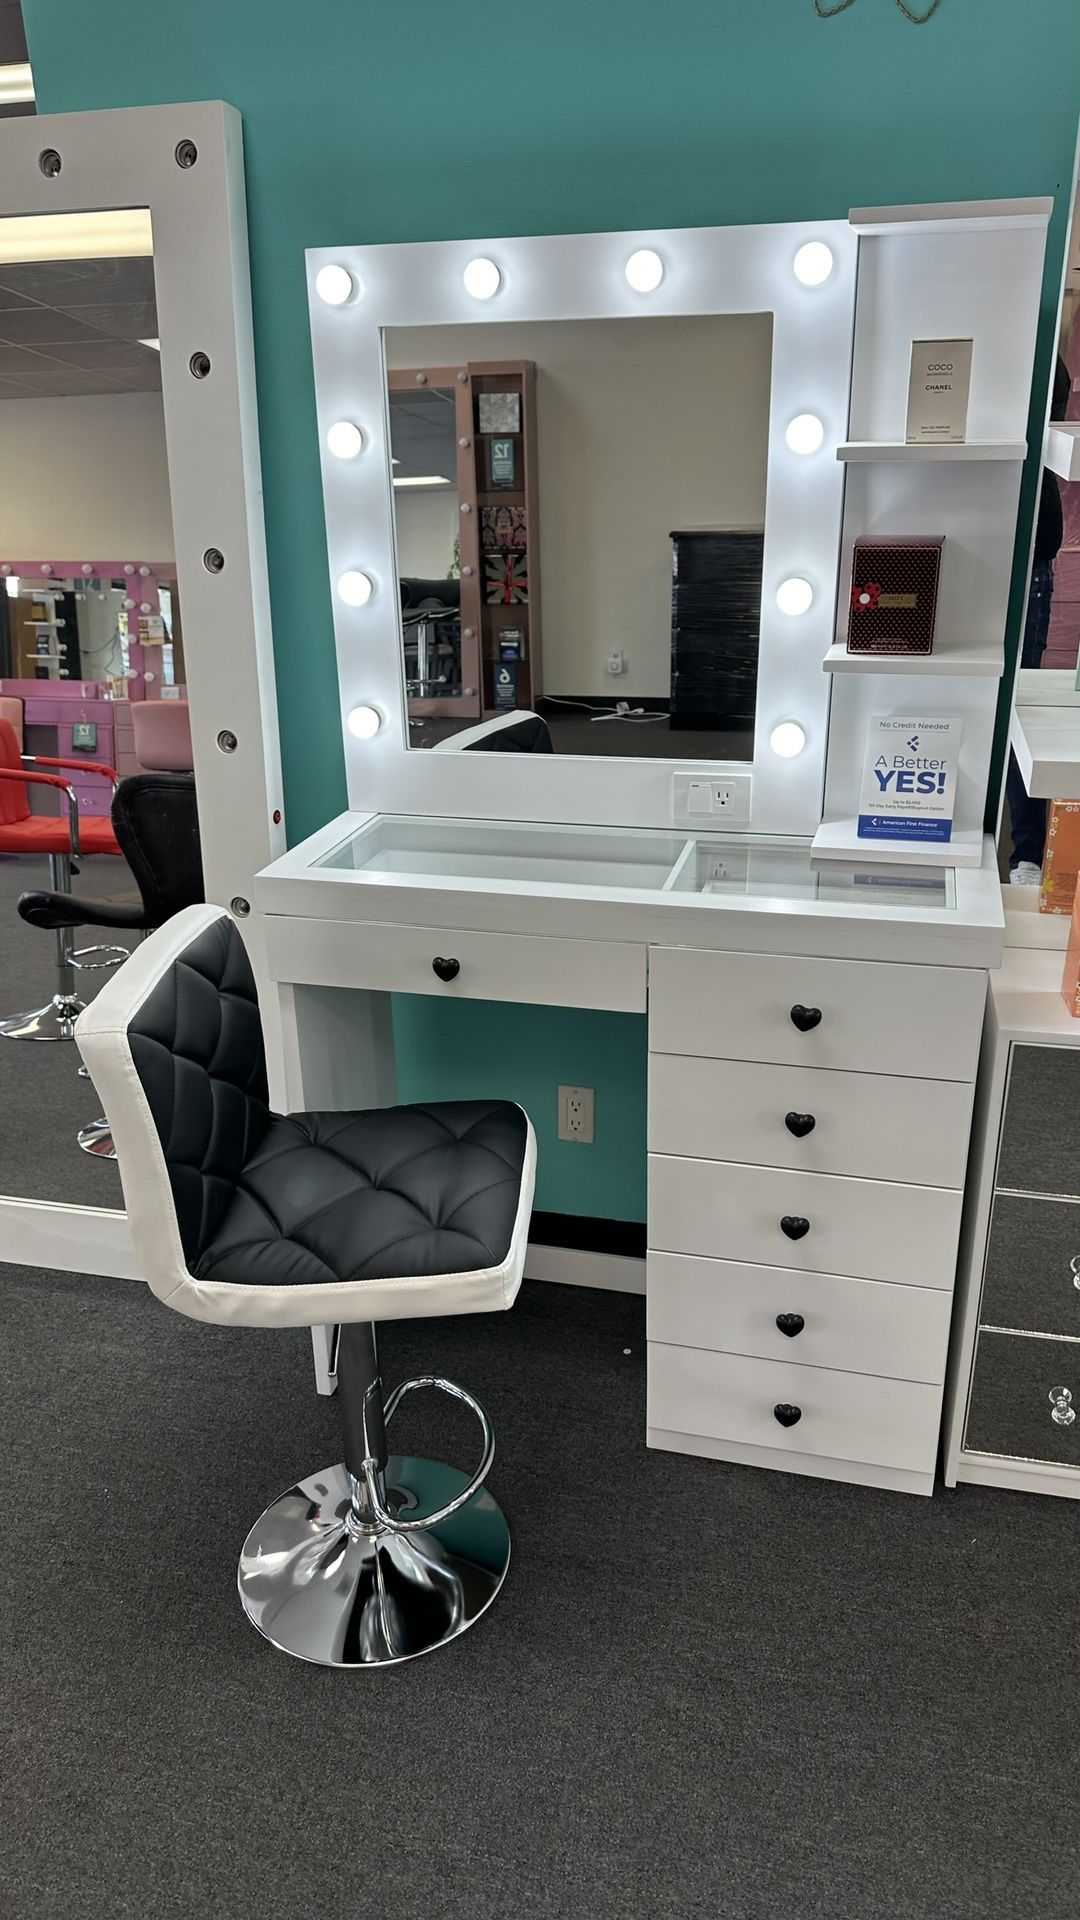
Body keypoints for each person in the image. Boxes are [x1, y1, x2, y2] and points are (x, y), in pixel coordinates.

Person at [1007, 354, 1073, 882]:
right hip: (982, 537)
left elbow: (1052, 397)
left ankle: (1028, 854)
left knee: (1017, 709)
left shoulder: (1039, 347)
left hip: (1029, 552)